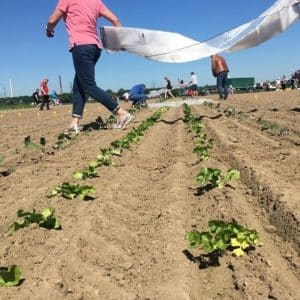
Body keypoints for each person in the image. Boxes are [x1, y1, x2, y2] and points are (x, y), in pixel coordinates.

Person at [46, 0, 133, 132]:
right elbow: (116, 21)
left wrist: (48, 30)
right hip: (95, 48)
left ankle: (121, 113)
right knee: (78, 86)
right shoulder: (96, 2)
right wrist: (118, 41)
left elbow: (52, 21)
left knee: (88, 85)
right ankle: (74, 123)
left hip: (81, 47)